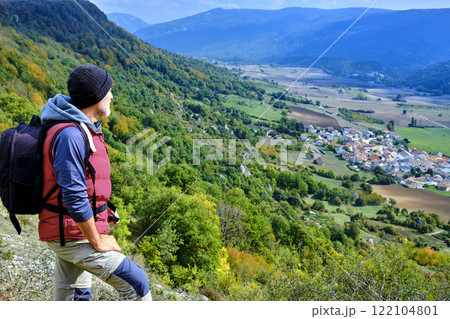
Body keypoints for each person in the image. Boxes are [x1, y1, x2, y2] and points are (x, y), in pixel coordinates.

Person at [39, 65, 151, 301]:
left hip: (70, 231)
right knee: (137, 286)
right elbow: (73, 196)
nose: (111, 96)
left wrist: (104, 212)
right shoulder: (71, 135)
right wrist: (97, 240)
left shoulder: (82, 130)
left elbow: (84, 185)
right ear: (95, 96)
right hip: (73, 235)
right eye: (108, 91)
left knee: (75, 297)